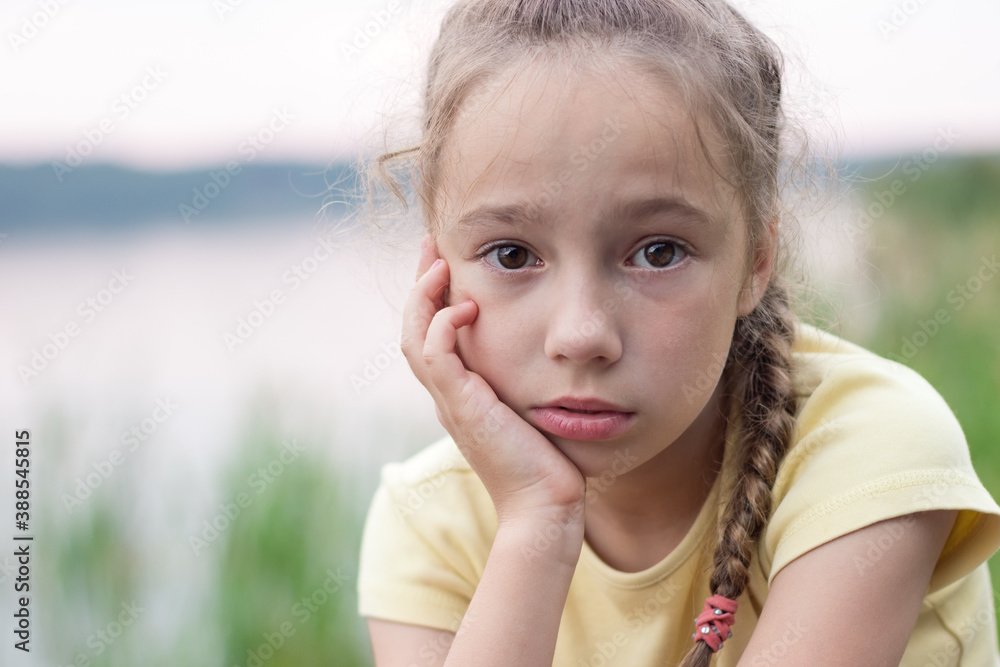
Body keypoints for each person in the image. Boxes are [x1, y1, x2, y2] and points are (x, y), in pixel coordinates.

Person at [355, 1, 1000, 664]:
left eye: (658, 252)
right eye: (512, 254)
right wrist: (536, 522)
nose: (581, 334)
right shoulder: (429, 519)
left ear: (756, 260)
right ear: (437, 272)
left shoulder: (871, 450)